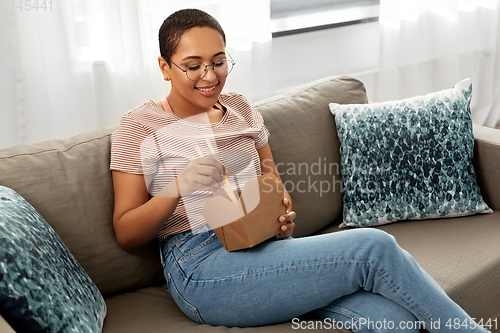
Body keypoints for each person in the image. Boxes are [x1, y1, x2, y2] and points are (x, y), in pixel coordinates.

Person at [110, 8, 489, 333]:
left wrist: (280, 216)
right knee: (374, 247)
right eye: (193, 66)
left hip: (264, 245)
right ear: (164, 66)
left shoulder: (241, 108)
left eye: (219, 61)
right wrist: (177, 186)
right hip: (200, 266)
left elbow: (271, 183)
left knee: (391, 318)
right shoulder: (139, 126)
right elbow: (127, 232)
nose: (209, 76)